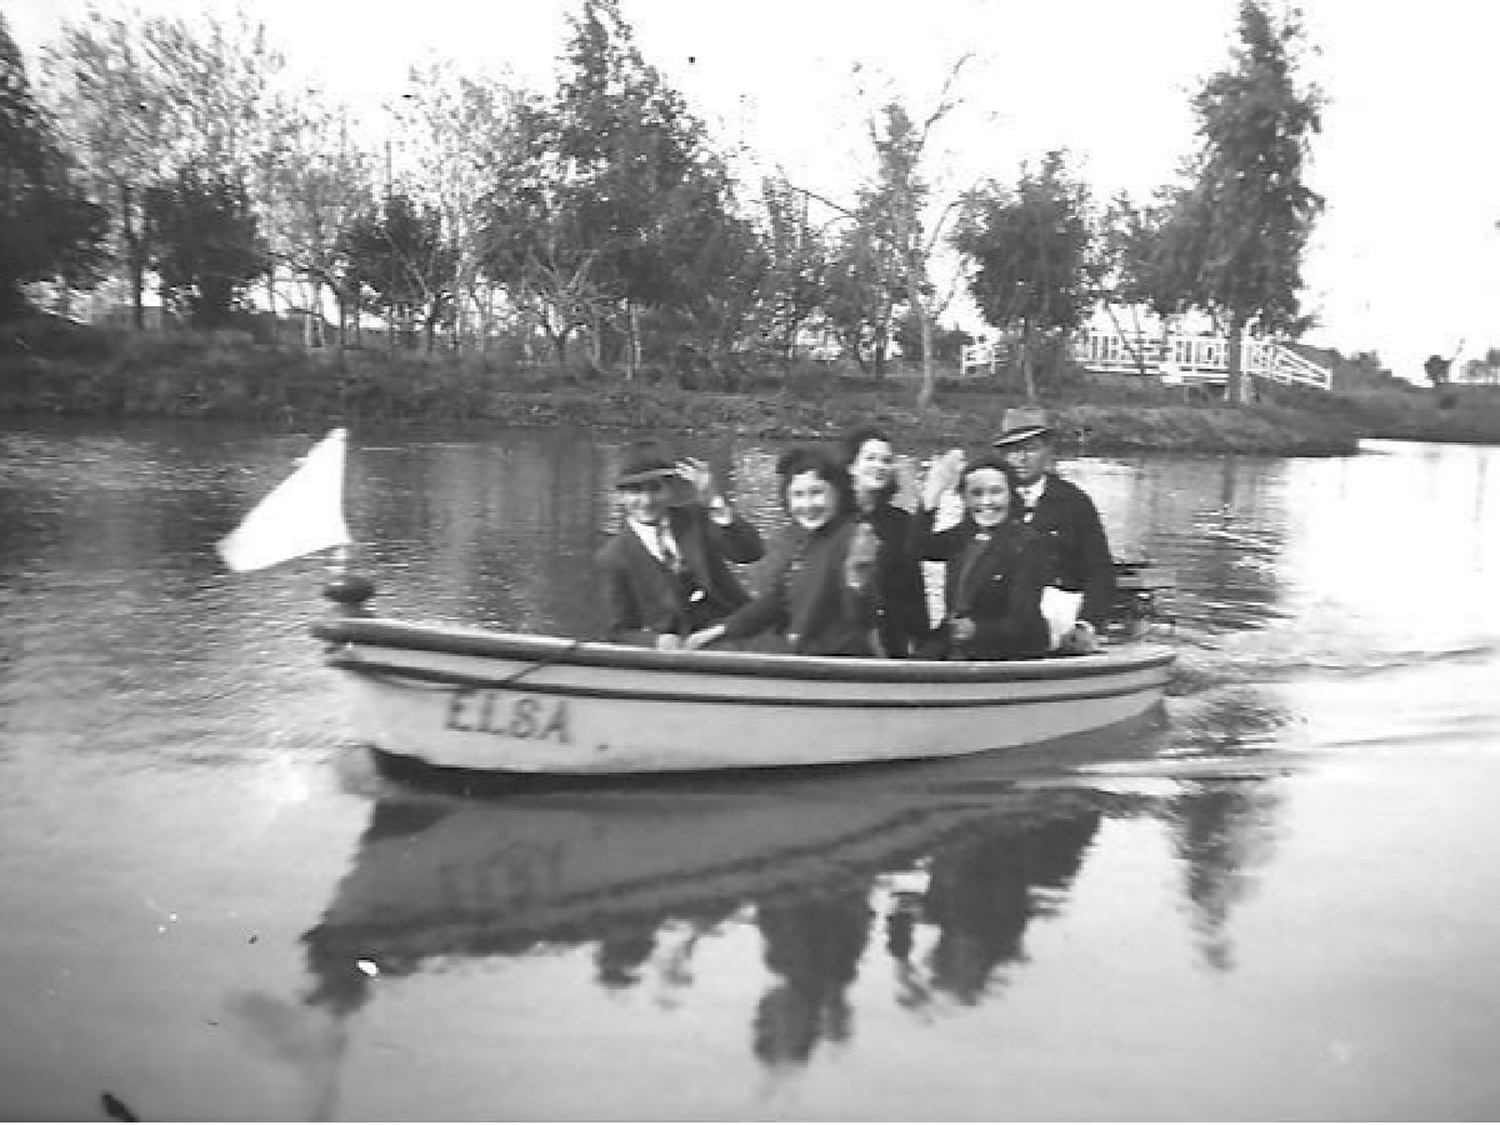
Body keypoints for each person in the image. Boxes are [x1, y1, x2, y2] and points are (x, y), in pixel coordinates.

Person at [687, 446, 881, 657]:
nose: (807, 505)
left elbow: (863, 618)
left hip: (840, 666)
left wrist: (858, 581)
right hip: (802, 659)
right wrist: (720, 631)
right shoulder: (804, 540)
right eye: (798, 495)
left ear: (839, 492)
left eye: (816, 493)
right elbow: (778, 600)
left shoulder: (854, 537)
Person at [596, 439, 764, 650]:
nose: (646, 501)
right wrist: (656, 641)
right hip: (679, 654)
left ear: (671, 489)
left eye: (655, 489)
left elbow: (751, 553)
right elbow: (617, 631)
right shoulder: (613, 557)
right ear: (620, 496)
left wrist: (714, 501)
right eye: (635, 491)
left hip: (737, 637)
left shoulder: (698, 519)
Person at [992, 406, 1115, 653]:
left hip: (1060, 617)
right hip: (998, 620)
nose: (1021, 459)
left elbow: (1099, 571)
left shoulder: (1074, 502)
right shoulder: (989, 500)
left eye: (1031, 449)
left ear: (1049, 451)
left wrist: (1085, 624)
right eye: (1013, 451)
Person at [908, 451, 1052, 660]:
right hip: (957, 646)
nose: (986, 502)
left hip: (1009, 654)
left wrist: (977, 630)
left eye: (996, 492)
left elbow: (1023, 621)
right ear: (965, 499)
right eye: (976, 493)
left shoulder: (1027, 543)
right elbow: (916, 548)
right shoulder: (963, 536)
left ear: (1011, 494)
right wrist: (931, 497)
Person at [840, 425, 931, 657]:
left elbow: (913, 591)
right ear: (851, 466)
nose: (879, 466)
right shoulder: (833, 517)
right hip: (838, 635)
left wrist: (922, 643)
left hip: (889, 638)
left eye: (886, 460)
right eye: (870, 458)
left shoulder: (902, 522)